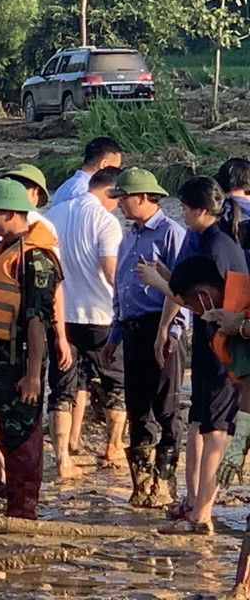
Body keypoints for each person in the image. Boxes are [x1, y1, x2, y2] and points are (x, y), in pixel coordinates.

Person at [140, 176, 247, 534]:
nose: (182, 214)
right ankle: (192, 501)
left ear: (201, 210)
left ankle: (202, 512)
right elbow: (196, 293)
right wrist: (168, 277)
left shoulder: (218, 247)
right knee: (199, 421)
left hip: (225, 348)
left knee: (216, 427)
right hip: (207, 342)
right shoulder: (205, 240)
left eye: (185, 208)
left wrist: (160, 283)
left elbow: (203, 304)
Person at [0, 163, 68, 495]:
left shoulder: (35, 259)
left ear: (10, 213)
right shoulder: (5, 249)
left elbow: (38, 319)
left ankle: (23, 504)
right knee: (6, 430)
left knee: (22, 433)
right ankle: (9, 488)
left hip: (17, 363)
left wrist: (33, 374)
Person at [102, 168, 187, 509]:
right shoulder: (129, 238)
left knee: (166, 407)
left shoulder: (171, 234)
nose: (119, 204)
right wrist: (114, 334)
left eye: (123, 198)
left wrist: (172, 331)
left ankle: (164, 484)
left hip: (162, 328)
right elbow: (121, 288)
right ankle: (141, 485)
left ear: (142, 197)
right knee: (137, 408)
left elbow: (181, 290)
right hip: (133, 329)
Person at [44, 167, 126, 478]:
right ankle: (113, 446)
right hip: (99, 314)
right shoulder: (105, 221)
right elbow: (110, 271)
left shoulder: (54, 214)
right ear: (110, 192)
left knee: (62, 387)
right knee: (116, 384)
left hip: (61, 315)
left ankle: (63, 458)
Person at [184, 261, 250, 594]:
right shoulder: (234, 317)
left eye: (194, 307)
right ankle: (241, 587)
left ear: (204, 296)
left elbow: (248, 389)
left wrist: (238, 446)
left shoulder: (236, 323)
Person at [50, 137, 123, 207]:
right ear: (103, 164)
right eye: (115, 168)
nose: (116, 173)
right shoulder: (85, 192)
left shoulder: (66, 186)